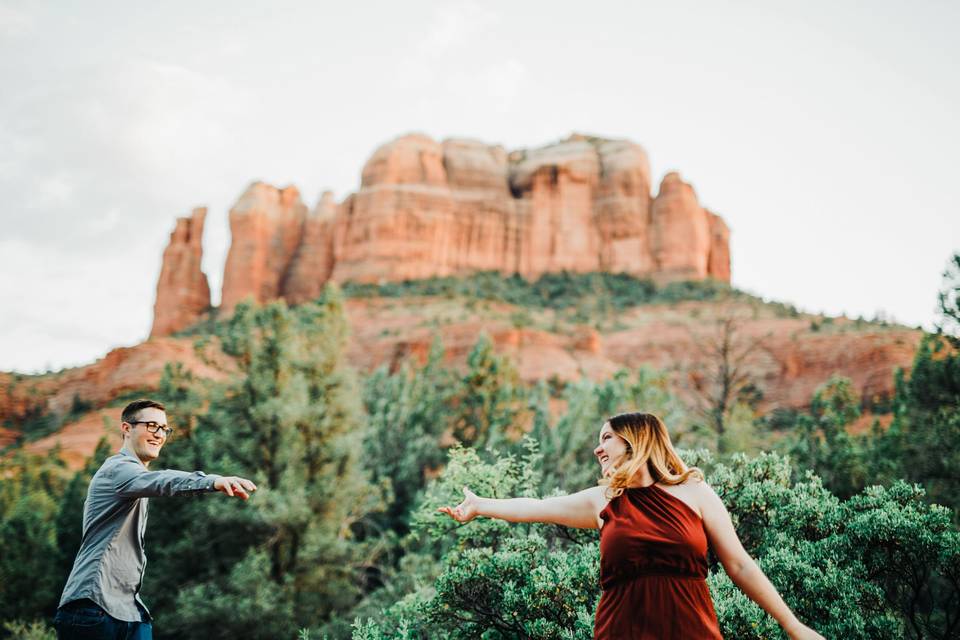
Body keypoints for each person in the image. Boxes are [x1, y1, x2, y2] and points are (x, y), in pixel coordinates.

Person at [439, 412, 824, 639]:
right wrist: (480, 506)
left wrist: (793, 626)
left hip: (691, 630)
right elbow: (537, 506)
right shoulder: (602, 500)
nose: (597, 448)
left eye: (606, 438)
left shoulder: (695, 493)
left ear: (635, 441)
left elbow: (740, 565)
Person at [53, 399, 258, 640]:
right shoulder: (118, 470)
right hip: (92, 607)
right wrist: (211, 481)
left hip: (128, 611)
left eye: (164, 429)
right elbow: (163, 481)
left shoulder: (136, 478)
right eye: (152, 426)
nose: (159, 435)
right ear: (126, 429)